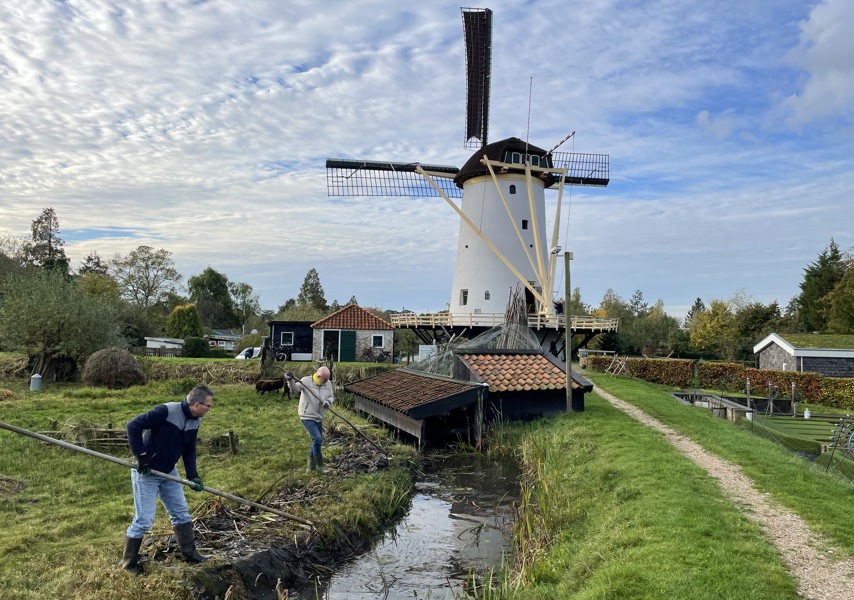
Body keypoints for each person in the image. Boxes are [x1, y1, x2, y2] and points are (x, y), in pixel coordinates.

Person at [120, 385, 214, 575]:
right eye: (208, 406)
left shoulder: (195, 420)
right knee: (144, 520)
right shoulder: (166, 411)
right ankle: (128, 564)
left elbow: (189, 449)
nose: (209, 410)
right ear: (197, 404)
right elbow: (133, 425)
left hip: (169, 472)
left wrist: (192, 475)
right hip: (146, 474)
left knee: (181, 513)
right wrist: (142, 457)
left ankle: (189, 552)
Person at [287, 366, 334, 473]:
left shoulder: (328, 384)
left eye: (328, 379)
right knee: (317, 439)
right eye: (325, 379)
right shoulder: (306, 381)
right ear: (318, 376)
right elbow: (295, 390)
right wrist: (290, 380)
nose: (327, 381)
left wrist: (328, 402)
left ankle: (310, 467)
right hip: (307, 415)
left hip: (319, 416)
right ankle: (320, 465)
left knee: (316, 440)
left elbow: (331, 396)